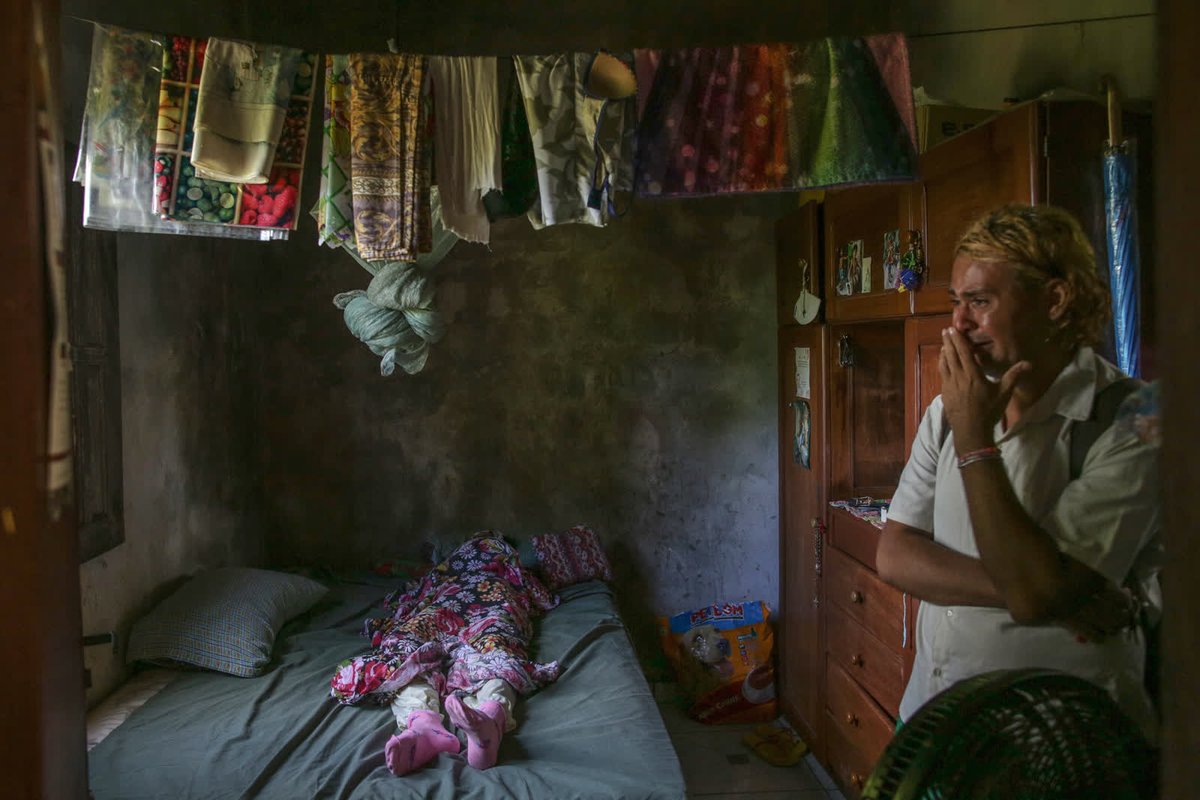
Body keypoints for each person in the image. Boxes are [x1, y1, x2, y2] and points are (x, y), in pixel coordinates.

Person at [875, 204, 1162, 740]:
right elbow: (895, 554)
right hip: (936, 716)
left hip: (1058, 740)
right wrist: (1044, 589)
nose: (959, 323)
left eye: (980, 302)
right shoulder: (947, 412)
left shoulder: (1136, 419)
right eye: (956, 302)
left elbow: (1034, 592)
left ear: (1055, 300)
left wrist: (975, 440)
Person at [330, 533, 560, 775]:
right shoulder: (445, 570)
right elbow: (421, 585)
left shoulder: (515, 568)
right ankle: (425, 728)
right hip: (444, 604)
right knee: (408, 656)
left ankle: (489, 720)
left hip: (493, 603)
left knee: (496, 649)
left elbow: (538, 596)